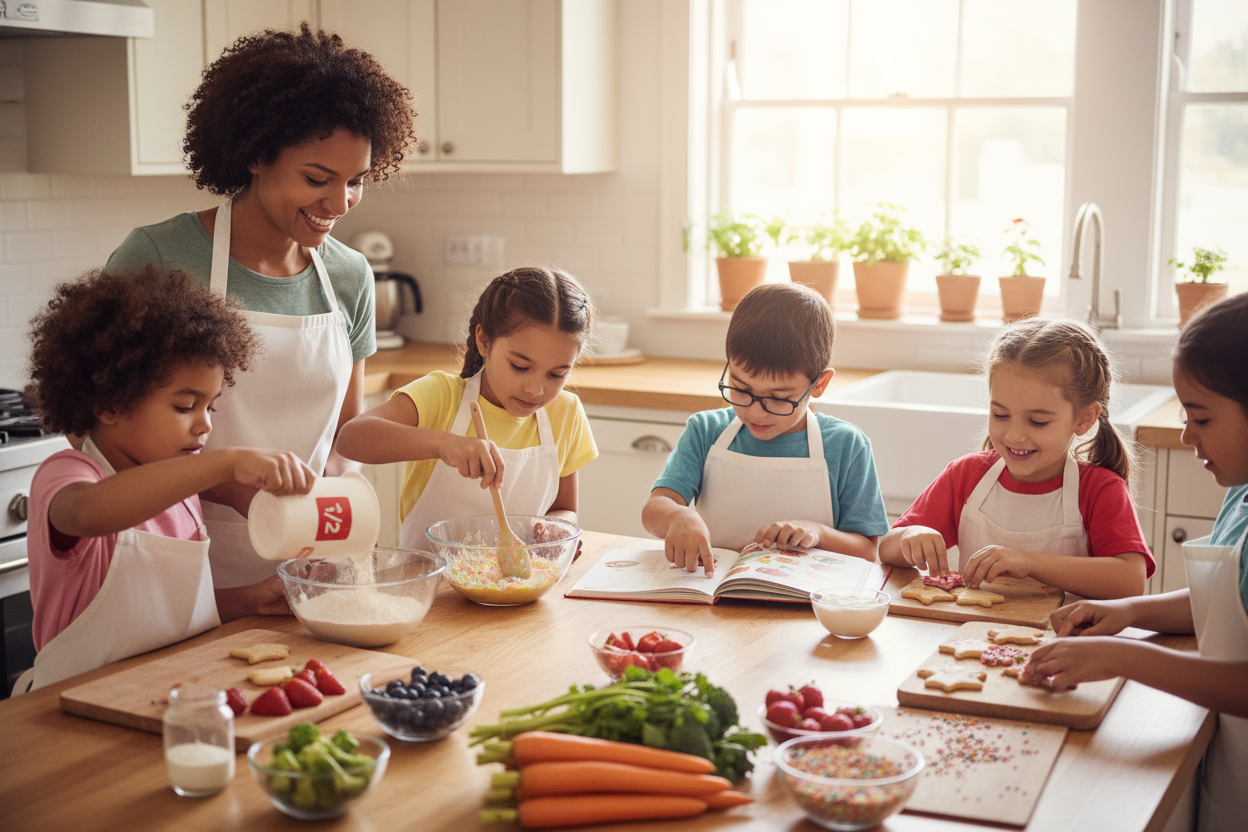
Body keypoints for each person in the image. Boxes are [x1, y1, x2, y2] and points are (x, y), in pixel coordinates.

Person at [104, 24, 416, 590]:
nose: (340, 203)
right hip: (176, 558)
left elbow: (346, 435)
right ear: (254, 155)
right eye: (317, 178)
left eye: (357, 181)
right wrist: (232, 489)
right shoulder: (158, 258)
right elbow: (100, 436)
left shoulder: (348, 276)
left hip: (309, 559)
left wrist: (329, 520)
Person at [20, 268, 316, 691]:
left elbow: (166, 619)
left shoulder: (182, 496)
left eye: (211, 407)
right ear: (109, 404)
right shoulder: (70, 475)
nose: (205, 425)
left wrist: (249, 599)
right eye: (185, 407)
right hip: (69, 707)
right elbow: (88, 513)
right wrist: (227, 463)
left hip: (167, 694)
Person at [1024, 295, 1248, 831]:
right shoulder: (1241, 494)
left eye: (1201, 417)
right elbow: (1226, 604)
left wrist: (1124, 657)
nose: (1188, 435)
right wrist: (1129, 613)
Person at [879, 318, 1153, 599]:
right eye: (1000, 415)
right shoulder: (966, 475)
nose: (1014, 435)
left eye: (1037, 421)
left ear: (1084, 419)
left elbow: (1129, 581)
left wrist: (1028, 563)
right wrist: (910, 536)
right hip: (971, 626)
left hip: (1065, 628)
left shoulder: (1100, 490)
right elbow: (886, 548)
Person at [336, 267, 598, 547]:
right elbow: (350, 438)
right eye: (520, 366)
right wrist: (444, 444)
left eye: (557, 374)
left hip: (520, 574)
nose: (536, 389)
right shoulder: (442, 396)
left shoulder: (565, 413)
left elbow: (564, 509)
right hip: (430, 573)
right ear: (484, 341)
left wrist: (557, 529)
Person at [642, 283, 888, 575]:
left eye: (779, 398)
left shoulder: (846, 445)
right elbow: (654, 510)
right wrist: (677, 516)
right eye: (741, 389)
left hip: (803, 597)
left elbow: (867, 551)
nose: (755, 412)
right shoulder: (706, 431)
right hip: (712, 590)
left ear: (819, 384)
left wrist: (817, 532)